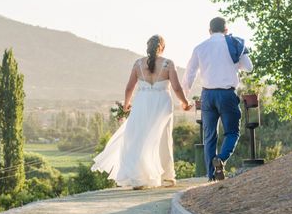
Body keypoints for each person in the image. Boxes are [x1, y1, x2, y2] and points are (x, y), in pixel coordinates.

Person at [92, 35, 193, 188]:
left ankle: (139, 177)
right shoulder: (168, 64)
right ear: (163, 48)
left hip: (142, 102)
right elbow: (177, 88)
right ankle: (167, 177)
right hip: (162, 103)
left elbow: (129, 88)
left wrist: (126, 105)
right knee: (163, 138)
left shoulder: (138, 64)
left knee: (138, 137)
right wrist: (185, 103)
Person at [182, 17, 253, 181]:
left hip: (207, 95)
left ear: (209, 31)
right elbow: (249, 68)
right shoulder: (235, 44)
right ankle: (220, 159)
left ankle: (211, 175)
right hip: (227, 94)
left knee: (209, 136)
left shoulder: (200, 48)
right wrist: (237, 61)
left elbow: (189, 75)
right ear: (226, 30)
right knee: (232, 132)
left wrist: (185, 99)